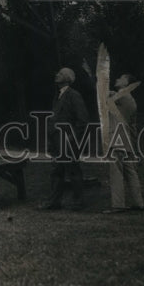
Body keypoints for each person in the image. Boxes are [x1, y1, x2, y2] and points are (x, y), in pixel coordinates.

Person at [39, 67, 89, 211]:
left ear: (67, 79)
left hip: (68, 142)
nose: (57, 74)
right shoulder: (59, 96)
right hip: (57, 141)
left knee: (73, 171)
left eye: (60, 73)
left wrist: (72, 138)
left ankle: (78, 202)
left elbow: (83, 120)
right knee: (56, 171)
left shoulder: (73, 95)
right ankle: (54, 202)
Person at [103, 73, 144, 214]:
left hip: (116, 139)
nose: (117, 79)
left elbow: (101, 92)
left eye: (121, 78)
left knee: (116, 172)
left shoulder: (122, 96)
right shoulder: (131, 101)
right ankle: (138, 203)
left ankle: (118, 205)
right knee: (130, 172)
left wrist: (91, 75)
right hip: (125, 140)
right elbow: (133, 128)